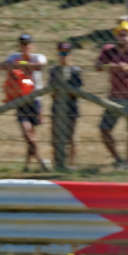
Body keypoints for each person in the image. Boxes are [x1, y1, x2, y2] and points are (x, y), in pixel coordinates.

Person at [95, 20, 128, 168]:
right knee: (104, 129)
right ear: (116, 35)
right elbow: (98, 66)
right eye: (120, 34)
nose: (123, 37)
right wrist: (111, 66)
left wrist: (127, 68)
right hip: (115, 96)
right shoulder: (109, 50)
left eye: (126, 34)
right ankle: (118, 159)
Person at [0, 32, 49, 171]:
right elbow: (2, 65)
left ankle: (27, 165)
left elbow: (40, 65)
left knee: (31, 134)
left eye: (27, 44)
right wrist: (17, 64)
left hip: (35, 99)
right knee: (27, 133)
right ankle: (41, 161)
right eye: (22, 44)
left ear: (32, 45)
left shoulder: (37, 56)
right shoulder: (14, 57)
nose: (25, 47)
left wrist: (20, 64)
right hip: (21, 98)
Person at [49, 40, 82, 170]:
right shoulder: (54, 70)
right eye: (61, 53)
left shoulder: (76, 71)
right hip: (56, 107)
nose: (64, 56)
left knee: (71, 136)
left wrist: (64, 91)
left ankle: (71, 163)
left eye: (67, 53)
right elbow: (51, 90)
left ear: (71, 54)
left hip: (71, 107)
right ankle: (57, 163)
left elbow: (77, 91)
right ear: (58, 54)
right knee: (55, 136)